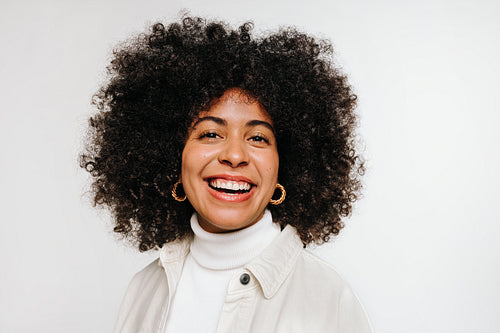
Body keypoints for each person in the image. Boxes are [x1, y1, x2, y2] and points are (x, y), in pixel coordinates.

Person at [80, 16, 373, 333]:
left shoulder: (329, 301)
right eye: (209, 134)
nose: (234, 156)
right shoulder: (144, 290)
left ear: (284, 167)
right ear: (171, 157)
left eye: (258, 138)